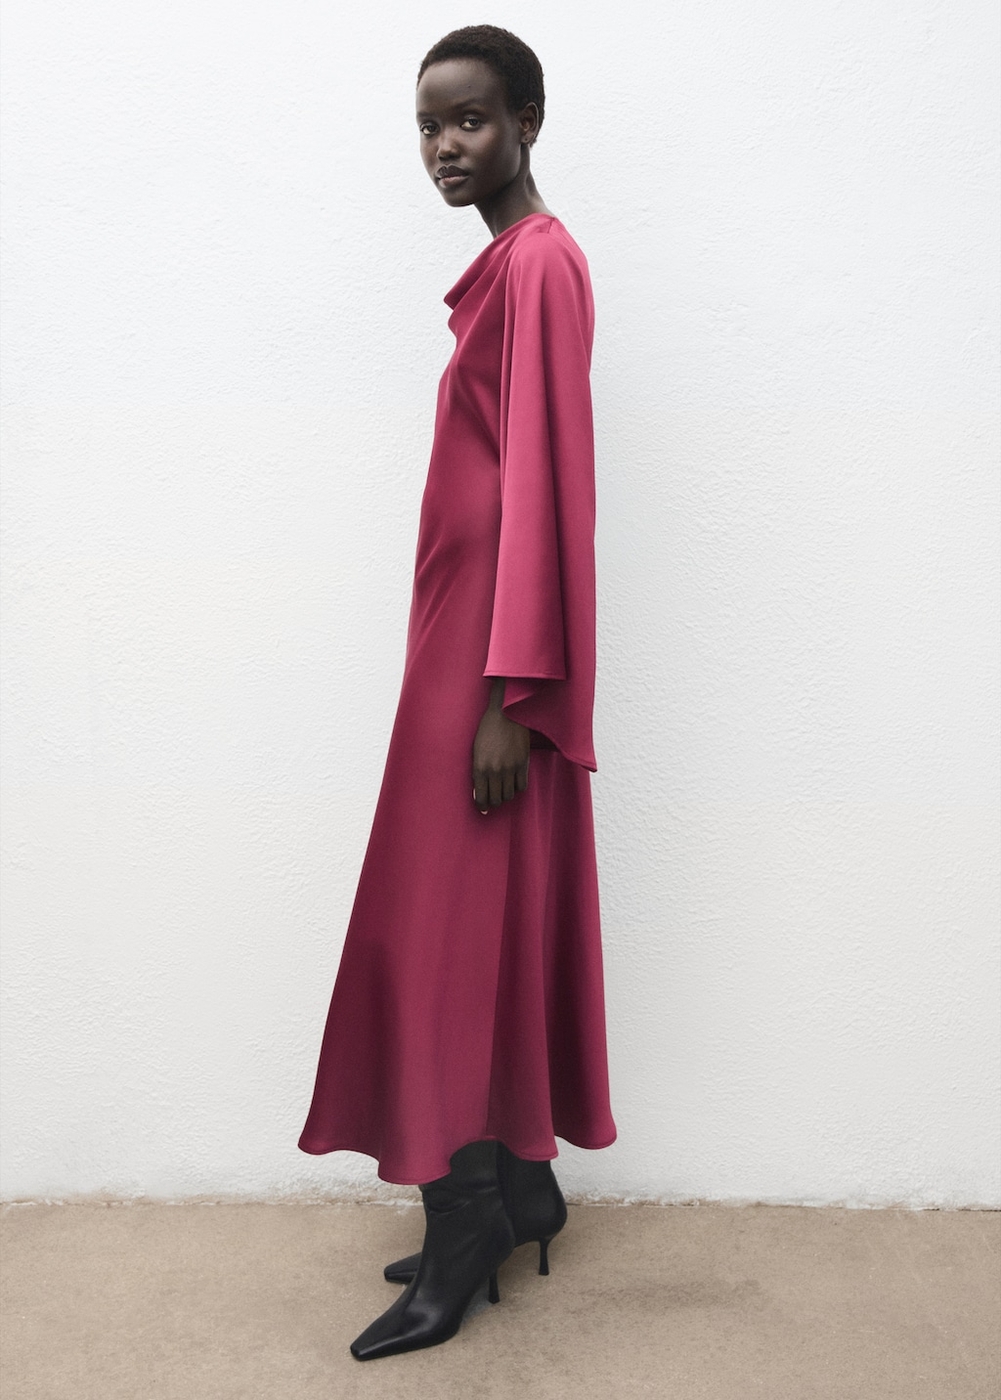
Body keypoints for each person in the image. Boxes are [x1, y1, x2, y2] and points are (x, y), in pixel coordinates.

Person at [298, 25, 616, 1361]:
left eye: (471, 119)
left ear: (528, 120)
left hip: (492, 660)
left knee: (438, 934)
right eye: (428, 125)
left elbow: (548, 485)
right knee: (472, 919)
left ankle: (467, 1220)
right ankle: (520, 1185)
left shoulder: (538, 262)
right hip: (464, 639)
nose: (444, 146)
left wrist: (510, 693)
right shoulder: (511, 264)